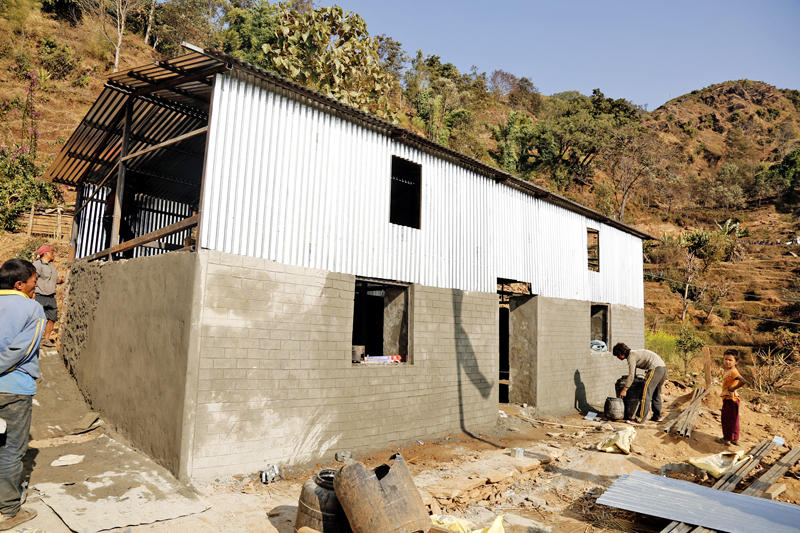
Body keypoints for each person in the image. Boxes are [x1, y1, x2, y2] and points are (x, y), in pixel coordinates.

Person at [0, 259, 46, 530]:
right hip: (13, 391)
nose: (36, 284)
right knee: (9, 452)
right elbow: (22, 351)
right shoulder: (32, 309)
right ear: (20, 284)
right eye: (33, 280)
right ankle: (8, 512)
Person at [613, 342, 668, 425]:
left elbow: (631, 376)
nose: (618, 357)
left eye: (618, 355)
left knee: (645, 395)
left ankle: (640, 419)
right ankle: (657, 416)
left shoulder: (631, 357)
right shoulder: (634, 353)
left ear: (622, 353)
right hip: (663, 369)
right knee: (656, 393)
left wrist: (624, 389)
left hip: (655, 369)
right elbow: (633, 374)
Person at [32, 245, 63, 348]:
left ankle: (45, 339)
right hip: (40, 295)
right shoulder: (37, 265)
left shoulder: (52, 267)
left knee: (52, 317)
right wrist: (32, 293)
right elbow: (33, 279)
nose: (53, 255)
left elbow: (56, 280)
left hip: (51, 297)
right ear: (46, 253)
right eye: (52, 252)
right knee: (37, 319)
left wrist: (61, 280)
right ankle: (35, 341)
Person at [717, 348, 747, 446]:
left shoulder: (733, 371)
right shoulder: (729, 371)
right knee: (734, 419)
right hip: (731, 399)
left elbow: (743, 381)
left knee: (727, 419)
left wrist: (733, 388)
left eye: (730, 360)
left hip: (730, 399)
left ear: (736, 361)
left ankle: (727, 439)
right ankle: (735, 438)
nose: (727, 362)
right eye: (726, 359)